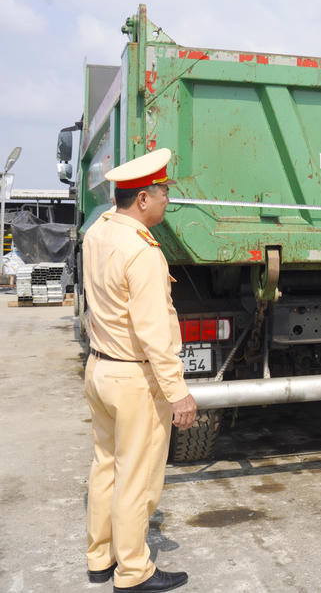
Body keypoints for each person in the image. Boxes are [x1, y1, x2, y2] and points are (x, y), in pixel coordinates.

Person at [83, 148, 196, 592]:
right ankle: (133, 571)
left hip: (100, 369)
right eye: (164, 193)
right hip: (133, 378)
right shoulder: (143, 251)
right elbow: (152, 331)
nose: (167, 200)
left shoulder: (99, 232)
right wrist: (178, 392)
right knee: (136, 478)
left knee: (105, 467)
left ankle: (100, 558)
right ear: (144, 199)